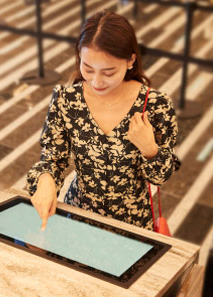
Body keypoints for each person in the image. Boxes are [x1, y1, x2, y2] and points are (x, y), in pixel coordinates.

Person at [27, 10, 180, 231]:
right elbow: (53, 159)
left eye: (108, 72)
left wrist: (150, 149)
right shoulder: (66, 99)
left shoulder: (155, 105)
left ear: (130, 61)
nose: (96, 81)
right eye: (88, 68)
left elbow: (161, 178)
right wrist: (45, 180)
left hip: (132, 225)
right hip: (78, 216)